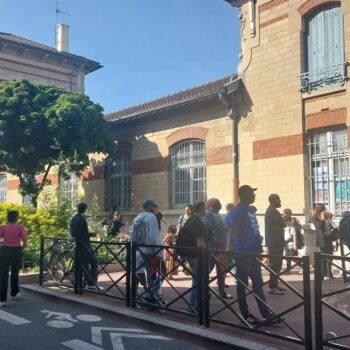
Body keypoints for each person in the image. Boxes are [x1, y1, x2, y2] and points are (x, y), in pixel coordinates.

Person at [228, 185, 282, 326]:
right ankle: (245, 314)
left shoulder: (250, 210)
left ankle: (265, 314)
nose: (254, 196)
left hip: (253, 254)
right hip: (243, 254)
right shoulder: (238, 211)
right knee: (242, 285)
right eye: (252, 193)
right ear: (244, 194)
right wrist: (229, 247)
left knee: (258, 285)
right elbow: (232, 231)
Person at [176, 201, 206, 313]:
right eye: (205, 209)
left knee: (197, 280)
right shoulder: (199, 222)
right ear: (202, 209)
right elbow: (200, 242)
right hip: (195, 255)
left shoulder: (190, 220)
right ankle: (193, 305)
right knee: (197, 281)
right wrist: (206, 253)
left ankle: (196, 304)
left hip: (187, 253)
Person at [131, 199, 161, 301]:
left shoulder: (136, 218)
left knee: (144, 272)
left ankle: (144, 294)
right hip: (150, 250)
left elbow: (133, 234)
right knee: (158, 272)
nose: (155, 208)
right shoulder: (151, 217)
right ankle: (151, 294)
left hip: (139, 249)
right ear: (149, 207)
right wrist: (158, 251)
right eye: (153, 206)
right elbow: (154, 235)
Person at [70, 202, 103, 292]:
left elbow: (73, 233)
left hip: (78, 245)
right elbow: (84, 234)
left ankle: (81, 285)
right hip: (85, 246)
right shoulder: (82, 219)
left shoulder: (73, 218)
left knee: (83, 265)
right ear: (85, 209)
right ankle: (91, 284)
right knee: (95, 262)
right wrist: (92, 234)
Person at [203, 198, 232, 299]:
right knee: (207, 270)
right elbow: (205, 230)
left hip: (221, 247)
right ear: (211, 205)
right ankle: (204, 291)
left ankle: (222, 291)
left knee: (222, 269)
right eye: (217, 203)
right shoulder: (209, 215)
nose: (220, 204)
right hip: (212, 248)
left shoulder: (218, 215)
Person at [0, 211, 28, 306]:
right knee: (15, 273)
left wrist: (3, 244)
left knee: (3, 275)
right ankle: (15, 294)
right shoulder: (20, 227)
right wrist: (23, 247)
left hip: (5, 251)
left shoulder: (3, 227)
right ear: (17, 218)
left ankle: (2, 300)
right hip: (16, 251)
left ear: (8, 218)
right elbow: (25, 239)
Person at [265, 194, 286, 295]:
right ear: (273, 200)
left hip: (275, 241)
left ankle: (275, 284)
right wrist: (284, 219)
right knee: (275, 265)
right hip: (275, 242)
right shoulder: (273, 211)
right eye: (278, 199)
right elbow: (283, 224)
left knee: (277, 265)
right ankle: (272, 287)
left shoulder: (271, 211)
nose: (280, 201)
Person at [312, 204, 334, 279]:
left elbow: (331, 226)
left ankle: (329, 274)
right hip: (322, 240)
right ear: (319, 210)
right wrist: (322, 219)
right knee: (324, 257)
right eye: (323, 209)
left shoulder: (326, 216)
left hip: (328, 238)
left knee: (330, 256)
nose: (325, 210)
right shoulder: (315, 218)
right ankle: (323, 274)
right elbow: (320, 227)